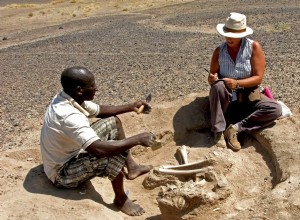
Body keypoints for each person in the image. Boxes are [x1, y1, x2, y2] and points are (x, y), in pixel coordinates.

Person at [40, 66, 156, 216]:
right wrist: (138, 139)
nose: (97, 88)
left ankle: (132, 167)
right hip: (62, 173)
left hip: (72, 152)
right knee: (112, 153)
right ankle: (120, 199)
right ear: (79, 89)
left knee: (113, 122)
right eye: (93, 85)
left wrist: (131, 106)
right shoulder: (68, 116)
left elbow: (100, 111)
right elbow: (99, 150)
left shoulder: (69, 97)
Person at [208, 12, 282, 151]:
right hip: (227, 100)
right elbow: (212, 77)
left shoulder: (253, 47)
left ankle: (235, 129)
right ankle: (218, 132)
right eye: (227, 34)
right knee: (217, 86)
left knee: (275, 109)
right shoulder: (219, 51)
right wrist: (212, 79)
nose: (229, 38)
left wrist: (238, 83)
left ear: (242, 35)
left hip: (248, 96)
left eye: (234, 35)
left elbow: (258, 77)